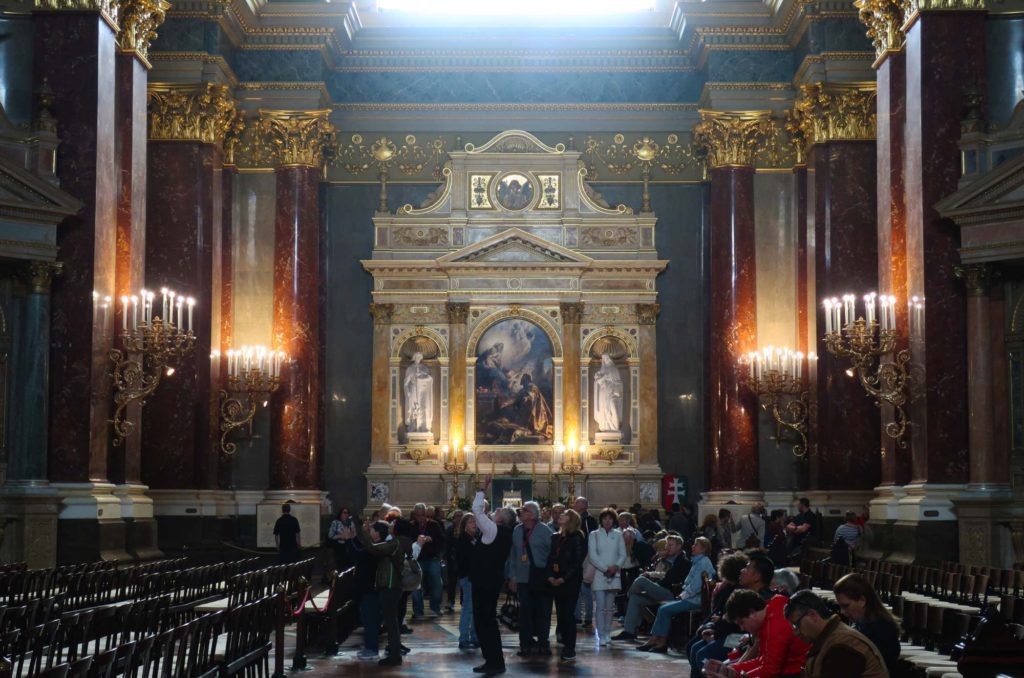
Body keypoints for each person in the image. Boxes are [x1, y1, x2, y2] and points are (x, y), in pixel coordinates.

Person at [637, 536, 718, 653]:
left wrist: (683, 595)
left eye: (696, 545)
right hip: (691, 597)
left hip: (695, 599)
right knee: (663, 608)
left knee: (664, 610)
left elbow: (696, 585)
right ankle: (656, 639)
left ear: (703, 549)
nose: (692, 546)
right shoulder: (698, 561)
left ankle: (661, 642)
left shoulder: (704, 562)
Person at [784, 590, 890, 678]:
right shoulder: (828, 638)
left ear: (812, 615)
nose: (795, 632)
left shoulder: (842, 645)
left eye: (796, 625)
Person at [614, 534, 691, 640]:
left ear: (679, 546)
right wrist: (662, 560)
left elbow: (669, 579)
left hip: (671, 593)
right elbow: (658, 572)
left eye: (670, 545)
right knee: (635, 598)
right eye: (667, 545)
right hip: (660, 589)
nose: (667, 548)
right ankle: (629, 631)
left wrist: (662, 566)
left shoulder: (683, 561)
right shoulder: (666, 558)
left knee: (641, 580)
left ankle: (626, 596)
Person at [471, 480, 513, 676]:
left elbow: (477, 511)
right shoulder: (503, 532)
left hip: (484, 582)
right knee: (485, 621)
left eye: (496, 513)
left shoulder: (493, 530)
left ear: (500, 520)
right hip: (490, 580)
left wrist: (482, 490)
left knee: (485, 621)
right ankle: (492, 660)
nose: (493, 513)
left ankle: (494, 661)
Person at [358, 518, 412, 667]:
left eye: (393, 525)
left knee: (391, 622)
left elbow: (375, 549)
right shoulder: (393, 542)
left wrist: (365, 534)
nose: (391, 526)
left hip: (390, 586)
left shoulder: (394, 543)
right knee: (391, 622)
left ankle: (394, 655)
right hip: (390, 585)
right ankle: (394, 652)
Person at [722, 588, 809, 678]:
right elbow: (762, 661)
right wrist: (731, 669)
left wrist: (734, 674)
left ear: (752, 613)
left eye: (741, 622)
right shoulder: (776, 601)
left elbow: (769, 672)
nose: (742, 628)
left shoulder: (773, 628)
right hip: (797, 667)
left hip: (797, 672)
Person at [506, 500, 555, 657]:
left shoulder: (545, 531)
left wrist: (551, 575)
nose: (520, 512)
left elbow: (552, 555)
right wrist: (512, 576)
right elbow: (513, 555)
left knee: (543, 611)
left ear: (533, 514)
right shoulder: (517, 530)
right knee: (525, 612)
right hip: (522, 578)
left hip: (541, 578)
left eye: (524, 510)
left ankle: (543, 642)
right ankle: (525, 642)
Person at [688, 553, 748, 672]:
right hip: (724, 629)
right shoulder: (726, 589)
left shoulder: (739, 592)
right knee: (693, 646)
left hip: (736, 635)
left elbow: (734, 621)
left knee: (701, 654)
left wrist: (716, 630)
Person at [833, 573, 901, 673]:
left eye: (846, 606)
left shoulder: (882, 630)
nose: (842, 612)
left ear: (862, 600)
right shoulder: (862, 624)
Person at [548, 508, 586, 662]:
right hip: (556, 580)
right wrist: (550, 575)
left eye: (564, 515)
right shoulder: (555, 537)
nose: (560, 516)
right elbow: (551, 558)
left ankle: (570, 648)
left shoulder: (577, 537)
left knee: (568, 614)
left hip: (570, 581)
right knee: (561, 614)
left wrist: (564, 578)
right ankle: (564, 641)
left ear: (570, 520)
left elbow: (577, 562)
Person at [588, 508, 626, 645]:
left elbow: (623, 554)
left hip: (614, 573)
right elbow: (592, 555)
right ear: (601, 520)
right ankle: (601, 634)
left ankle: (607, 631)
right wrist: (605, 569)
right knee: (600, 606)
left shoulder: (618, 534)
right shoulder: (594, 534)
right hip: (599, 573)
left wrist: (616, 567)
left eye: (610, 518)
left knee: (610, 607)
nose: (607, 521)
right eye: (605, 518)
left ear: (613, 520)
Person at [411, 502, 446, 620]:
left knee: (437, 584)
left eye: (422, 515)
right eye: (417, 515)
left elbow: (441, 540)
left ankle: (435, 606)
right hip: (417, 560)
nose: (420, 518)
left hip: (432, 559)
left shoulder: (434, 525)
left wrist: (432, 540)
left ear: (426, 514)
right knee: (416, 587)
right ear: (414, 515)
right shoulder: (411, 526)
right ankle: (418, 611)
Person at [454, 513, 479, 651]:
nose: (474, 524)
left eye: (475, 521)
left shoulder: (475, 538)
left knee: (475, 608)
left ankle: (474, 636)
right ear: (464, 526)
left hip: (475, 577)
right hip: (468, 577)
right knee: (468, 608)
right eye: (470, 522)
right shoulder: (463, 539)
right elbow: (464, 560)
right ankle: (464, 638)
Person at [573, 496, 598, 628]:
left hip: (586, 557)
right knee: (576, 589)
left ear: (583, 505)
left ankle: (587, 617)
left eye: (576, 503)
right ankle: (577, 616)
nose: (574, 505)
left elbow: (592, 538)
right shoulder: (574, 519)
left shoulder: (589, 520)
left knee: (585, 588)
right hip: (575, 557)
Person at [327, 507, 356, 573]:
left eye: (347, 513)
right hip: (339, 546)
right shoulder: (336, 522)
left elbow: (354, 535)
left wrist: (351, 533)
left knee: (349, 565)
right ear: (340, 514)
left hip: (349, 546)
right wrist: (340, 536)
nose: (346, 514)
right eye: (344, 513)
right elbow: (330, 535)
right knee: (340, 565)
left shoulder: (350, 523)